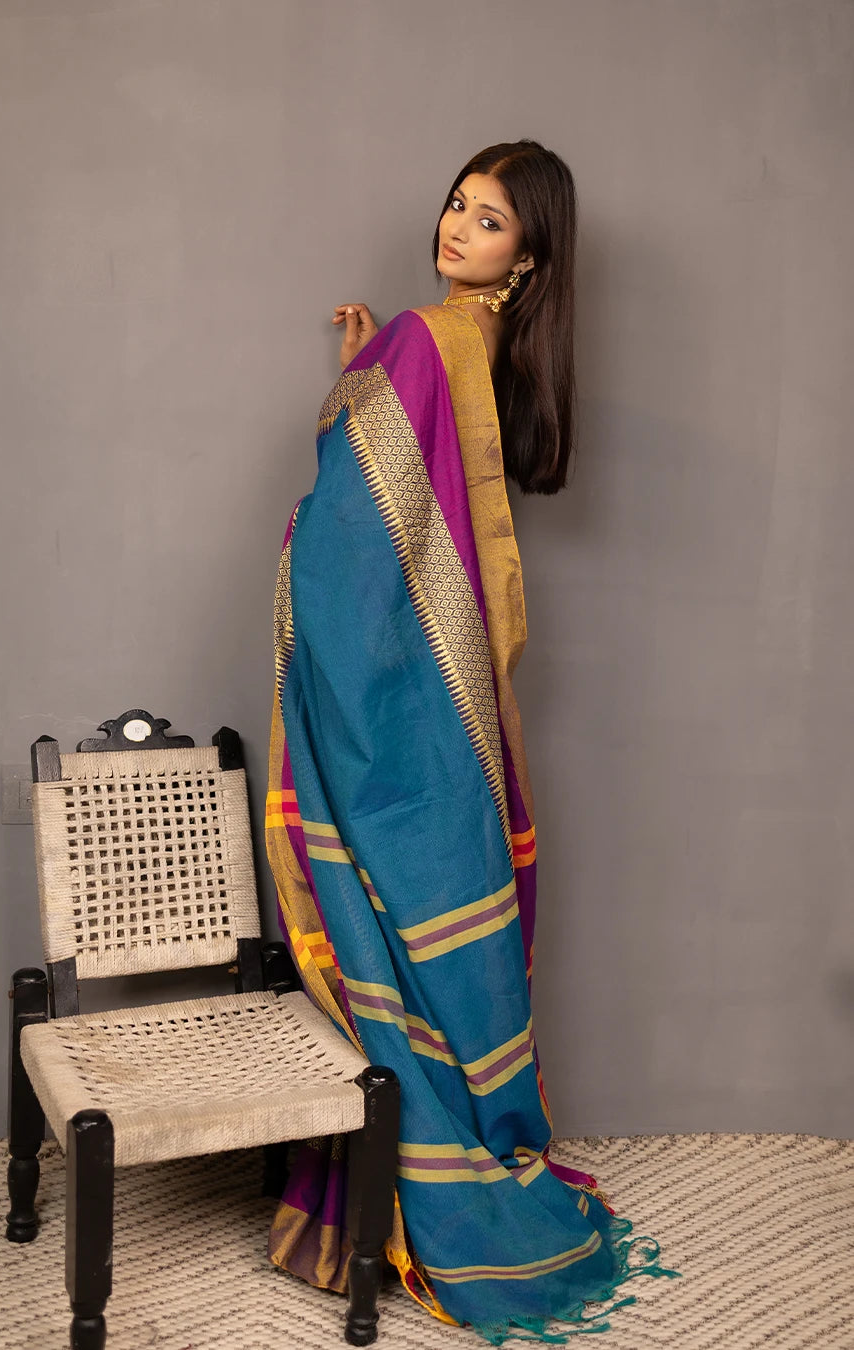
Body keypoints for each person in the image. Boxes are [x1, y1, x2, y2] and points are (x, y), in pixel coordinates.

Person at [265, 140, 674, 1344]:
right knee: (449, 901)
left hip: (386, 693)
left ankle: (409, 1204)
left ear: (529, 258)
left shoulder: (424, 339)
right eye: (455, 204)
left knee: (382, 928)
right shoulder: (470, 348)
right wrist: (361, 374)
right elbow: (423, 504)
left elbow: (352, 529)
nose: (455, 227)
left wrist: (354, 398)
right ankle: (471, 1159)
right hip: (457, 702)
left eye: (487, 219)